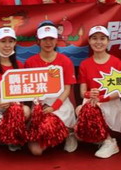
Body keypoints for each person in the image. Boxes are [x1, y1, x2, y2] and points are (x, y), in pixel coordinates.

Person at [25, 22, 77, 155]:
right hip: (39, 104)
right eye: (44, 39)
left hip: (60, 102)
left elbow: (67, 89)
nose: (48, 42)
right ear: (38, 40)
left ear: (56, 40)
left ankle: (68, 133)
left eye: (51, 39)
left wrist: (55, 106)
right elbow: (28, 89)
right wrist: (38, 106)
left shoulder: (65, 61)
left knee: (55, 125)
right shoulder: (30, 62)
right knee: (36, 151)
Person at [76, 26, 121, 158]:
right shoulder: (85, 64)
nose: (98, 42)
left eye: (102, 38)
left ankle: (109, 142)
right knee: (80, 109)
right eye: (94, 38)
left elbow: (120, 91)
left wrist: (102, 98)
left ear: (108, 41)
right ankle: (102, 138)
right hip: (92, 102)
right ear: (89, 41)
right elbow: (82, 92)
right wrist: (89, 94)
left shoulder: (117, 62)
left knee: (91, 110)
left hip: (111, 102)